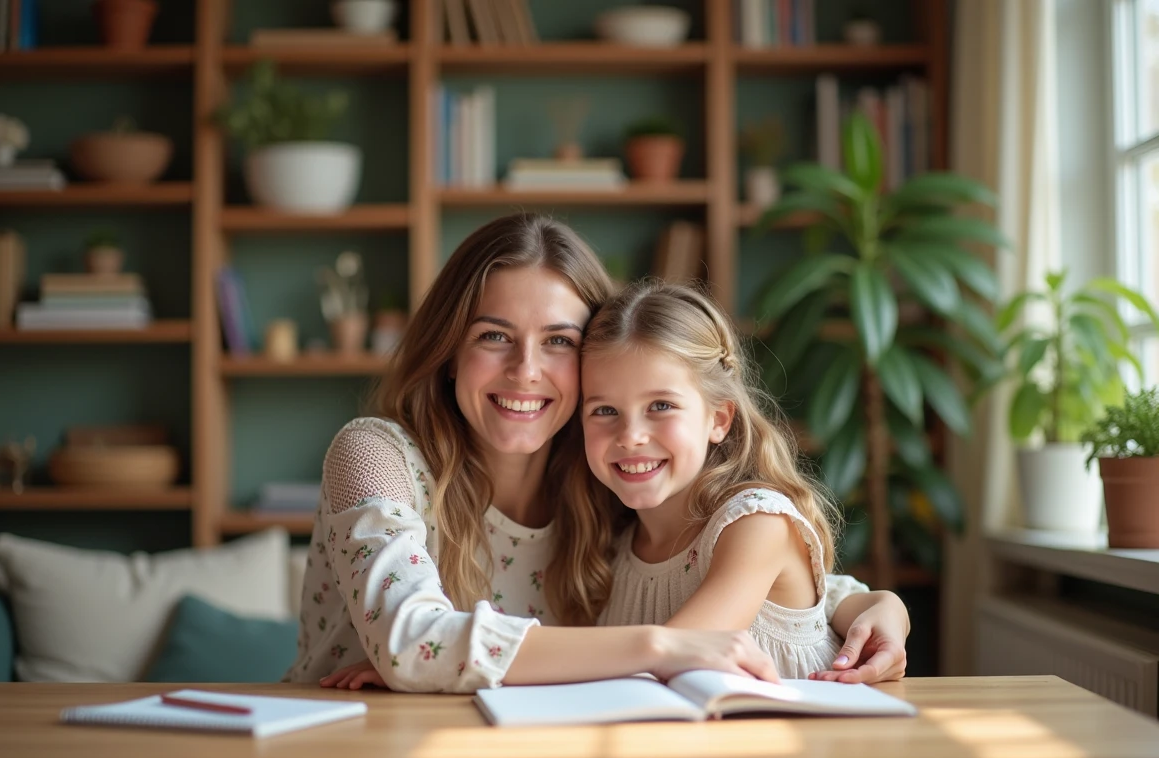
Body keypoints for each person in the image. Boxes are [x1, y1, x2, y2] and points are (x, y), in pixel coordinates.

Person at [290, 213, 908, 693]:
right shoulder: (374, 455)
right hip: (348, 753)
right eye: (493, 336)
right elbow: (411, 645)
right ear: (450, 350)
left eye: (558, 341)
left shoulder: (600, 485)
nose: (525, 370)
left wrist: (872, 603)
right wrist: (425, 670)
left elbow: (742, 574)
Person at [582, 281, 889, 679]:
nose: (630, 435)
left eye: (661, 406)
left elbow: (668, 662)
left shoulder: (757, 523)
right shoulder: (614, 544)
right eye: (604, 410)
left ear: (718, 419)